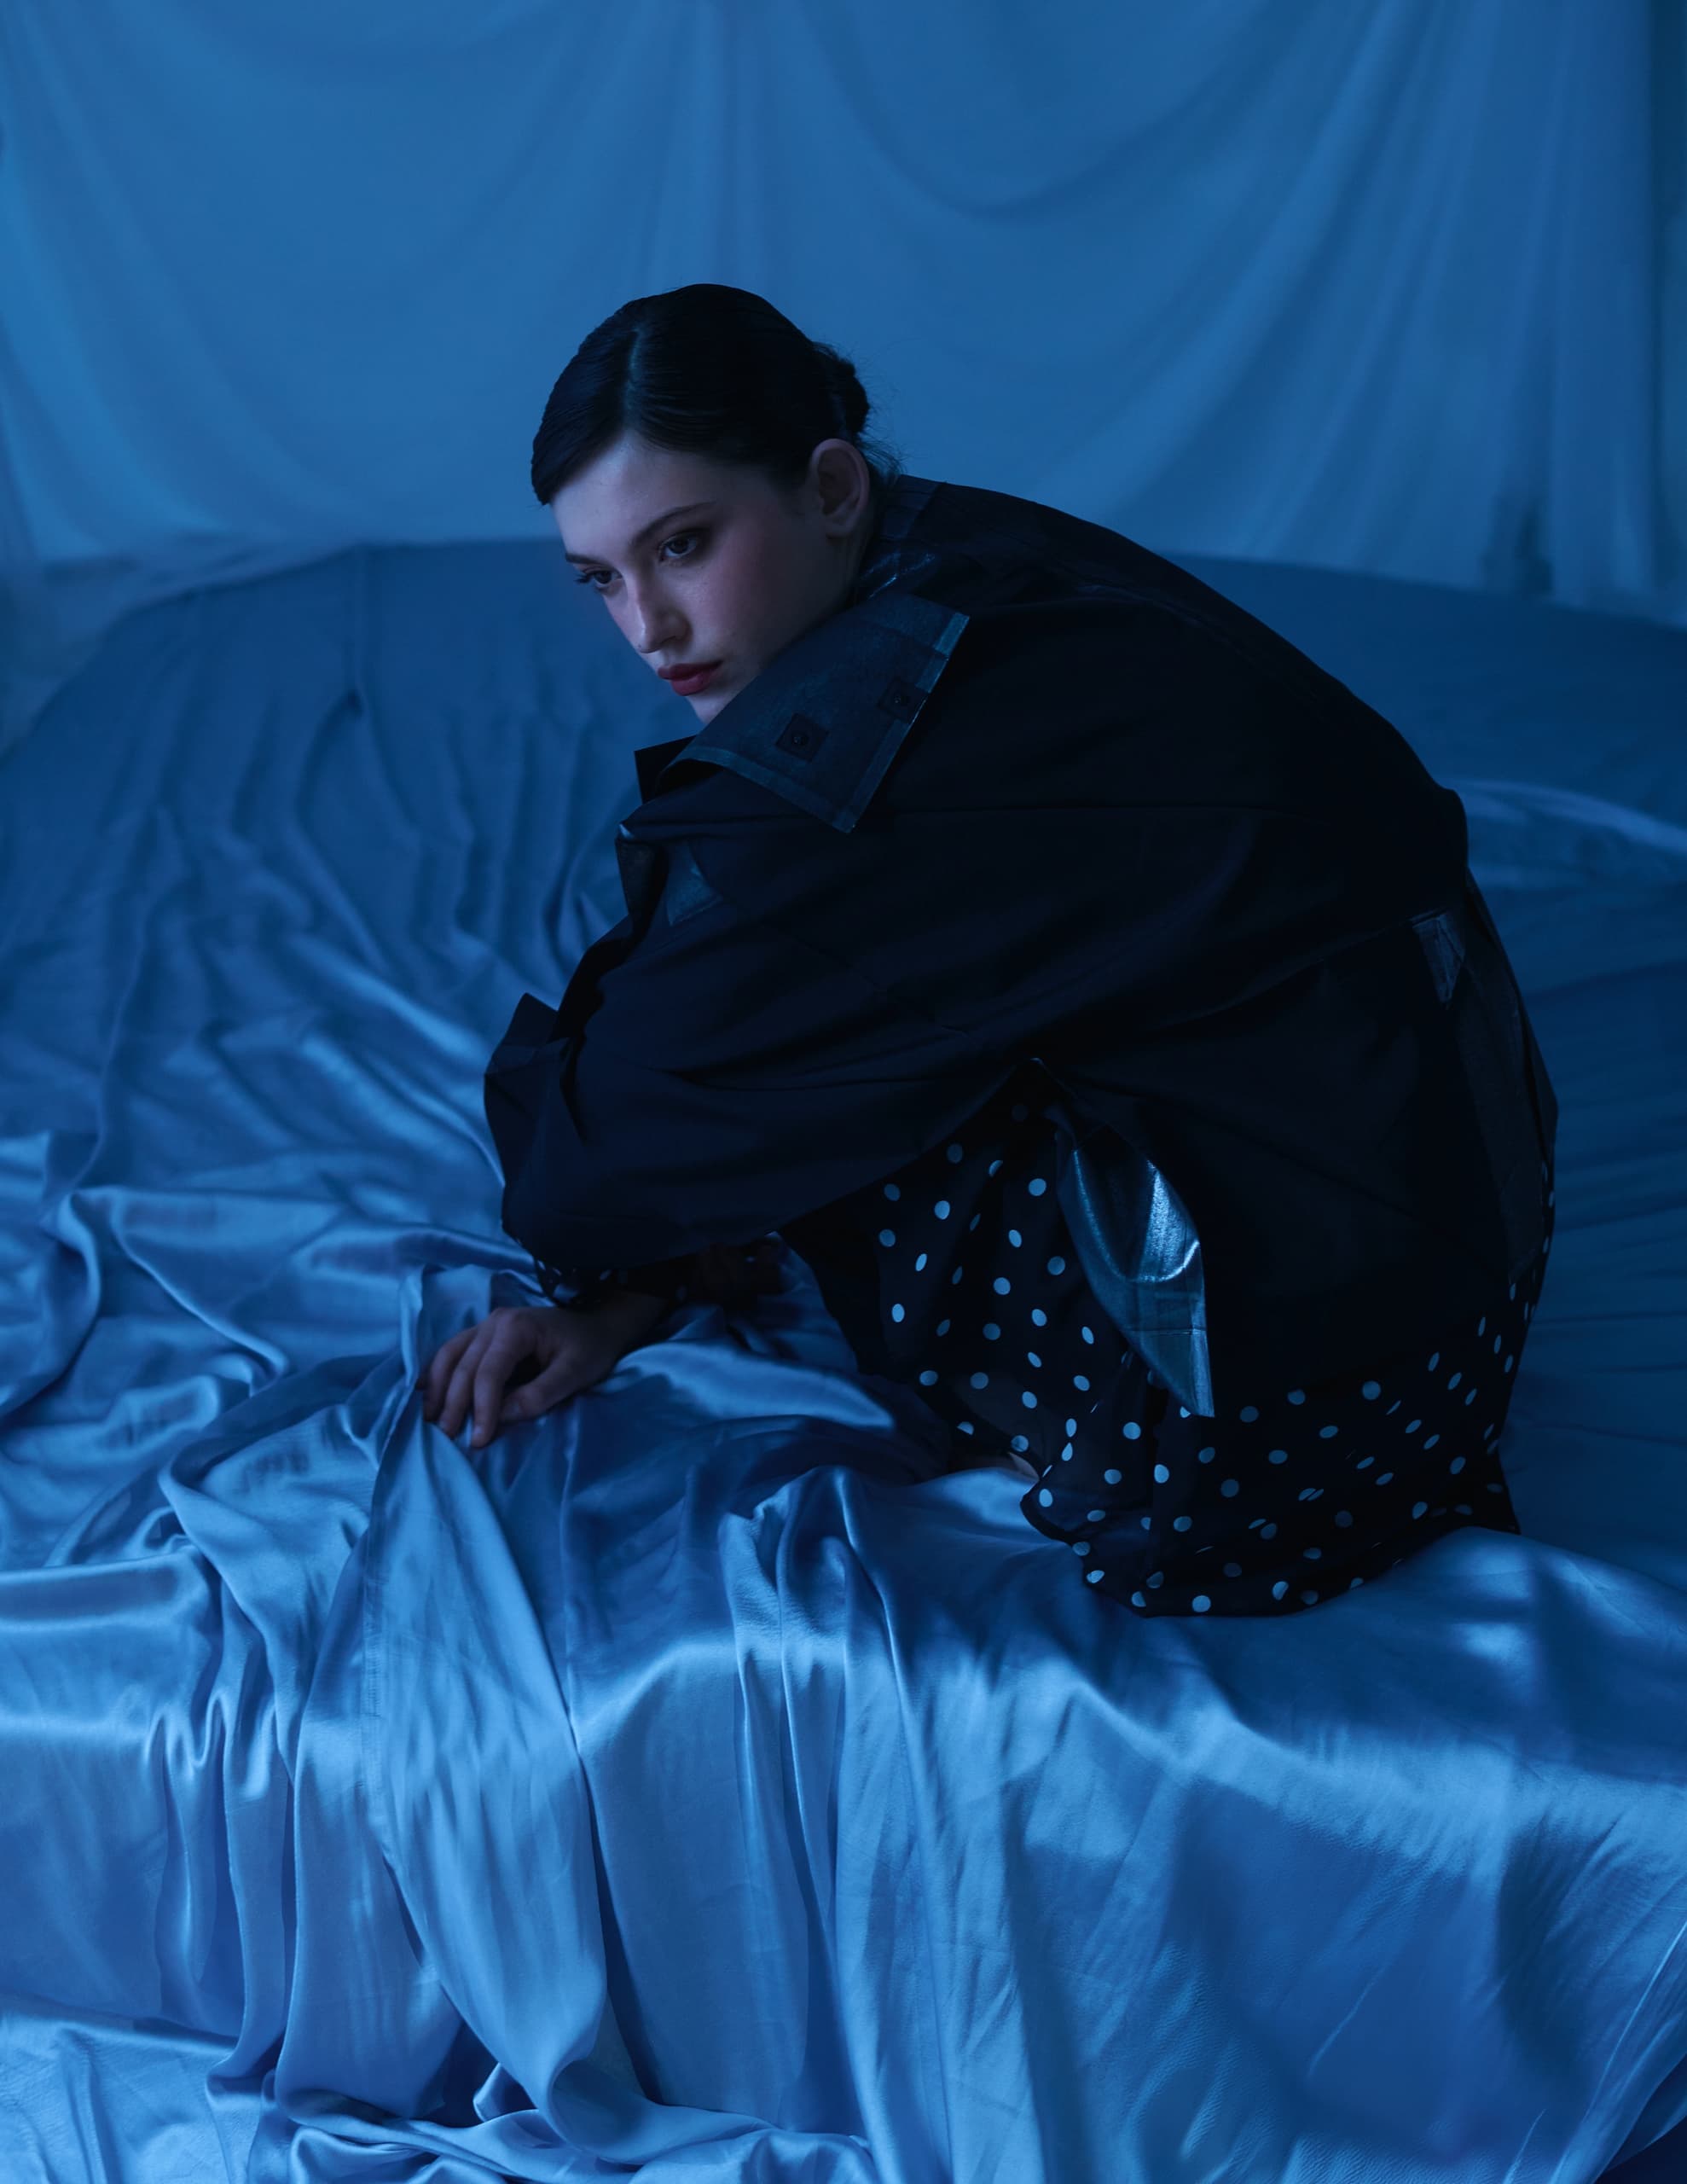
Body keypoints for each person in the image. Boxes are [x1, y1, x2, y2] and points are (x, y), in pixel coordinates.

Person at [419, 282, 1557, 1619]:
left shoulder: (861, 762)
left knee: (816, 1053)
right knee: (840, 1012)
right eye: (600, 578)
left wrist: (619, 1280)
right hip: (1454, 1304)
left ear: (831, 487)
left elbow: (591, 1163)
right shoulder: (978, 557)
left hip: (1263, 1432)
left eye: (682, 545)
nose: (647, 629)